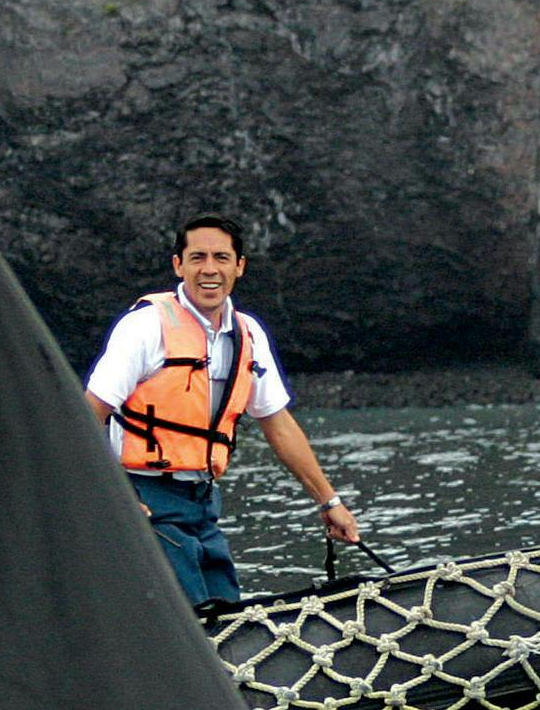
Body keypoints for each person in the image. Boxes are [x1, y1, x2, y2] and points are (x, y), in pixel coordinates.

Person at [84, 213, 359, 608]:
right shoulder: (145, 327)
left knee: (229, 613)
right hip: (146, 499)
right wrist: (115, 494)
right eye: (197, 258)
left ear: (239, 266)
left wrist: (329, 503)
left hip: (203, 502)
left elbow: (278, 423)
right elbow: (86, 415)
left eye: (221, 258)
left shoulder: (248, 333)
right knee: (189, 622)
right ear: (178, 265)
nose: (209, 269)